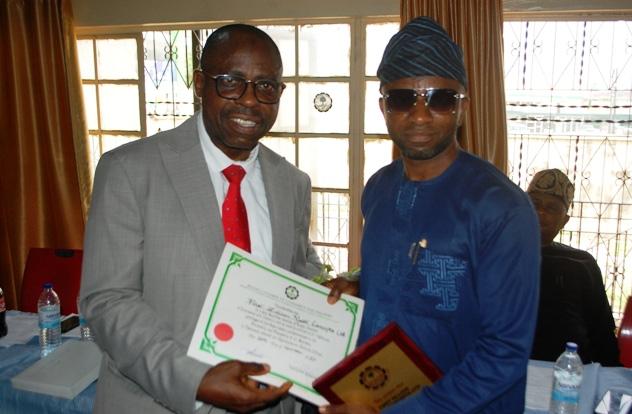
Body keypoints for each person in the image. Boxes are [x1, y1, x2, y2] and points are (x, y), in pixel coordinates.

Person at [80, 24, 321, 414]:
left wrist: (331, 294)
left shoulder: (292, 182)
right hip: (161, 404)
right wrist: (196, 381)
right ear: (199, 83)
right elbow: (108, 301)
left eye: (265, 86)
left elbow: (297, 270)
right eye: (231, 82)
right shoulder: (129, 170)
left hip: (271, 402)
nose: (249, 100)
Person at [324, 17, 540, 413]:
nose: (420, 115)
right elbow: (406, 273)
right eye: (402, 99)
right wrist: (359, 284)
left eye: (440, 98)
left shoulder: (501, 208)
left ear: (463, 107)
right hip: (372, 392)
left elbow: (504, 353)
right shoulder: (378, 188)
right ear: (383, 107)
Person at [527, 168, 620, 366]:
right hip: (510, 367)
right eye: (534, 204)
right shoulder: (500, 256)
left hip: (570, 371)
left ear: (564, 220)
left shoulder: (581, 263)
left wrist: (611, 372)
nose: (541, 213)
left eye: (552, 208)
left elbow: (602, 331)